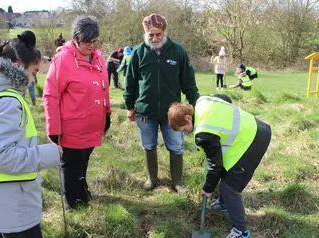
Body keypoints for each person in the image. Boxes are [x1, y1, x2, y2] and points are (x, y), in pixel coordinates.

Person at [0, 34, 62, 237]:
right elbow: (2, 156)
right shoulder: (7, 101)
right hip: (13, 204)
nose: (33, 80)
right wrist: (51, 153)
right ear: (18, 66)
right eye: (33, 72)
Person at [167, 94, 271, 238]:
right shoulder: (203, 101)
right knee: (226, 169)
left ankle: (240, 231)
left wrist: (208, 188)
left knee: (229, 188)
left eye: (184, 129)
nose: (186, 133)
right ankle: (222, 204)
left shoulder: (204, 133)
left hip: (254, 139)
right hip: (255, 126)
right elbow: (226, 98)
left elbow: (215, 164)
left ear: (188, 118)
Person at [123, 13, 200, 193]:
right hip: (145, 112)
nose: (155, 38)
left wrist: (196, 105)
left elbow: (188, 82)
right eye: (151, 35)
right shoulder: (138, 52)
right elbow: (130, 82)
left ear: (164, 32)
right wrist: (129, 106)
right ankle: (152, 179)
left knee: (176, 145)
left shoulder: (178, 51)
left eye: (158, 34)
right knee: (148, 145)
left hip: (172, 112)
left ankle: (178, 182)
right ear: (145, 34)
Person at [43, 16, 111, 210]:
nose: (91, 45)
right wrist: (53, 129)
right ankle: (73, 204)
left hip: (92, 124)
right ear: (75, 39)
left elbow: (103, 88)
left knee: (84, 160)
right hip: (71, 127)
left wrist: (107, 113)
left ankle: (82, 191)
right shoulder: (63, 60)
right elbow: (51, 95)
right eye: (87, 41)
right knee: (72, 164)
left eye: (95, 41)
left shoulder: (97, 57)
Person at [19, 30, 38, 106]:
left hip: (26, 74)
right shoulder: (34, 51)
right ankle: (32, 104)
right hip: (28, 74)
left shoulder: (20, 51)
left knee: (24, 91)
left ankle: (25, 105)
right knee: (29, 90)